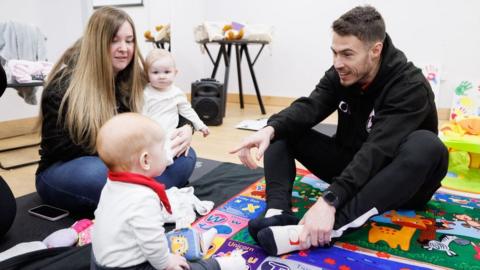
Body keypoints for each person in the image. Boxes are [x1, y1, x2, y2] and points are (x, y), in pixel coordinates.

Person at [231, 5, 448, 255]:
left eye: (347, 54)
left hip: (398, 182)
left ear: (375, 50)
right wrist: (269, 130)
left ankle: (327, 229)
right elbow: (311, 106)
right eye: (334, 53)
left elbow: (377, 149)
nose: (338, 63)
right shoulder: (343, 72)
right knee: (283, 124)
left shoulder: (409, 87)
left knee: (427, 144)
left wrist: (330, 200)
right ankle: (277, 213)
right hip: (352, 166)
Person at [36, 6, 196, 213]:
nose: (124, 48)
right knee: (99, 176)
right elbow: (60, 147)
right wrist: (122, 154)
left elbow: (170, 105)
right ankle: (151, 192)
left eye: (129, 40)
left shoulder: (135, 77)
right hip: (73, 165)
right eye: (114, 40)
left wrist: (187, 128)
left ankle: (139, 196)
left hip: (130, 163)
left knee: (186, 155)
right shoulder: (62, 87)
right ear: (96, 43)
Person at [92, 113, 246, 270]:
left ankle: (196, 244)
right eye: (162, 148)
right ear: (145, 160)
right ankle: (220, 265)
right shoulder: (143, 197)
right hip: (129, 267)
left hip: (101, 261)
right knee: (179, 264)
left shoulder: (113, 183)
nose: (167, 152)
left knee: (162, 239)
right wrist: (166, 263)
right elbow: (151, 242)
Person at [143, 48, 209, 164]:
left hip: (170, 133)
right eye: (155, 72)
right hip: (150, 134)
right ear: (147, 74)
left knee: (177, 146)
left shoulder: (177, 93)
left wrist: (200, 125)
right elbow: (141, 114)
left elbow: (187, 111)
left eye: (167, 72)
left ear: (175, 72)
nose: (162, 76)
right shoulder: (146, 92)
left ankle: (163, 162)